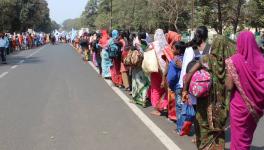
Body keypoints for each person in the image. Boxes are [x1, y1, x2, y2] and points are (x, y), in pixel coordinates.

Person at [182, 35, 236, 149]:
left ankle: (204, 146)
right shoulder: (230, 63)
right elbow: (231, 86)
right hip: (222, 104)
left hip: (204, 102)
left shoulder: (206, 59)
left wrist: (185, 91)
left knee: (203, 126)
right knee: (218, 129)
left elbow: (189, 74)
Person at [225, 31, 264, 150]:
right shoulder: (261, 60)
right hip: (257, 106)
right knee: (247, 135)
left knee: (238, 137)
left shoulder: (234, 60)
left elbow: (229, 86)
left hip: (239, 106)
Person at [162, 30, 182, 121]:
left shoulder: (169, 49)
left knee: (172, 96)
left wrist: (164, 78)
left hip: (172, 78)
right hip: (180, 79)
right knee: (179, 99)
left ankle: (173, 115)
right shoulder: (182, 50)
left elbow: (167, 66)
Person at [148, 29, 168, 116]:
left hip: (156, 69)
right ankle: (164, 105)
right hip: (165, 70)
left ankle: (157, 109)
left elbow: (147, 53)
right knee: (164, 88)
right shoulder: (167, 45)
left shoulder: (152, 45)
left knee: (156, 89)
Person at [131, 32, 150, 107]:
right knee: (145, 82)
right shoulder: (147, 44)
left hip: (138, 66)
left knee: (136, 82)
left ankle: (136, 98)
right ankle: (144, 99)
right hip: (145, 65)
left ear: (138, 37)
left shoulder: (137, 44)